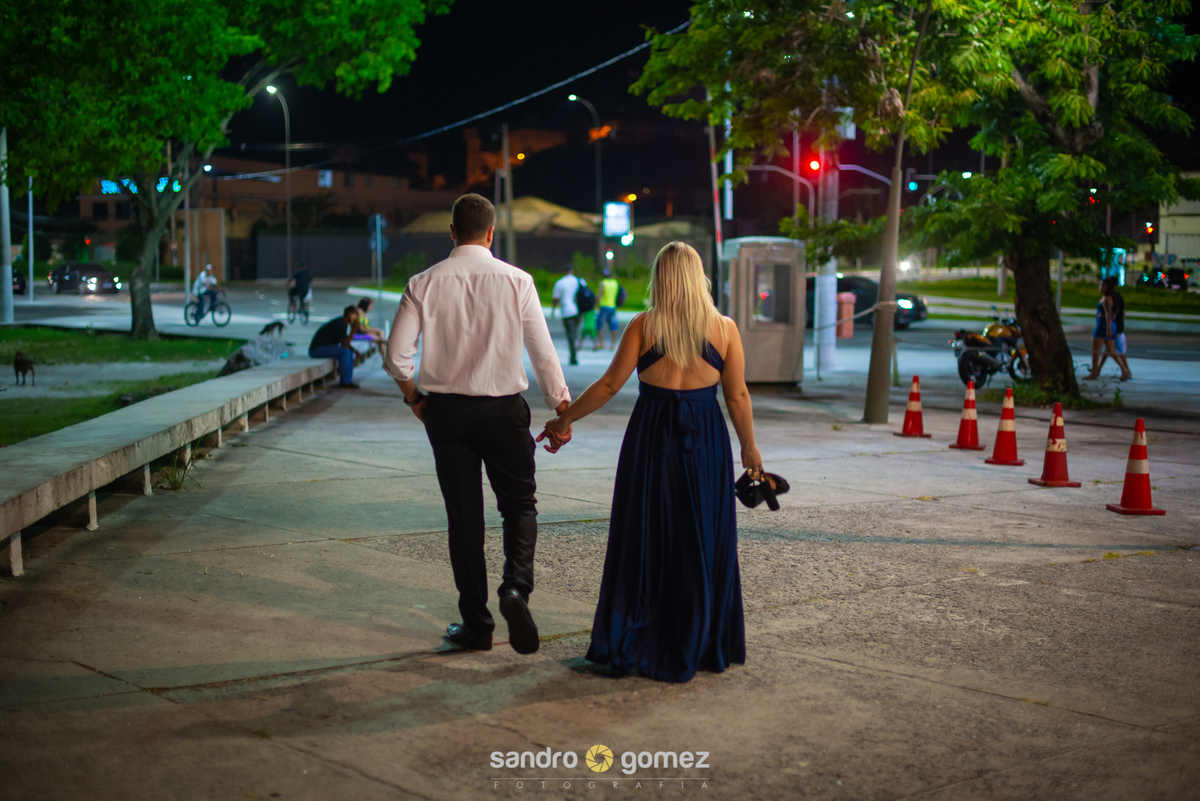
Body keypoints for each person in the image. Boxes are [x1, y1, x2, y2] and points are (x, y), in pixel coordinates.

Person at [538, 241, 759, 683]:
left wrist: (564, 420)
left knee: (645, 534)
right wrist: (750, 450)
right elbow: (735, 395)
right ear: (699, 278)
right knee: (701, 535)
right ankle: (698, 637)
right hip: (706, 441)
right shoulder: (724, 329)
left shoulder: (643, 326)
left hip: (650, 438)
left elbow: (607, 386)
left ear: (661, 278)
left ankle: (634, 628)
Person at [383, 193, 570, 655]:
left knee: (464, 520)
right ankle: (515, 590)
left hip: (445, 414)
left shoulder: (422, 283)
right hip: (505, 411)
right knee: (520, 506)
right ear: (491, 234)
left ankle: (477, 625)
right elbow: (544, 355)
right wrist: (562, 411)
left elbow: (396, 357)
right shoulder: (518, 281)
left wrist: (415, 401)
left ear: (451, 232)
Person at [309, 306, 361, 388]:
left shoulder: (342, 323)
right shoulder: (339, 324)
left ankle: (348, 380)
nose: (356, 319)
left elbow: (344, 342)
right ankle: (345, 382)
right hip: (317, 349)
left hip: (325, 348)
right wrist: (353, 330)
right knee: (345, 352)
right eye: (355, 316)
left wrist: (354, 350)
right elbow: (345, 344)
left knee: (348, 352)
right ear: (350, 314)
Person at [1096, 275, 1133, 381]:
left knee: (1117, 351)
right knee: (1108, 350)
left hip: (1114, 328)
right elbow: (1123, 313)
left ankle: (1126, 370)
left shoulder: (1111, 298)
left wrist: (1110, 327)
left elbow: (1113, 314)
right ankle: (1098, 369)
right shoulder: (1118, 296)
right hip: (1117, 326)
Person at [1084, 278, 1120, 381]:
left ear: (1108, 287)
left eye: (1103, 285)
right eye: (1100, 285)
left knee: (1096, 351)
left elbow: (1109, 314)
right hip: (1107, 325)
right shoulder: (1109, 298)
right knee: (1111, 351)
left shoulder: (1106, 299)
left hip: (1103, 326)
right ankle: (1124, 369)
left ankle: (1094, 373)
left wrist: (1108, 329)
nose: (1100, 287)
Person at [551, 264, 582, 365]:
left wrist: (553, 310)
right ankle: (574, 354)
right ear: (572, 271)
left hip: (566, 311)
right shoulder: (579, 281)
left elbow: (555, 298)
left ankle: (573, 356)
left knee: (570, 334)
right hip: (578, 310)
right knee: (574, 332)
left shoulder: (560, 283)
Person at [597, 268, 621, 350]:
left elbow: (600, 293)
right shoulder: (615, 283)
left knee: (598, 325)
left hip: (604, 306)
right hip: (612, 306)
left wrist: (596, 302)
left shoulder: (603, 283)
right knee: (613, 325)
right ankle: (613, 344)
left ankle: (601, 342)